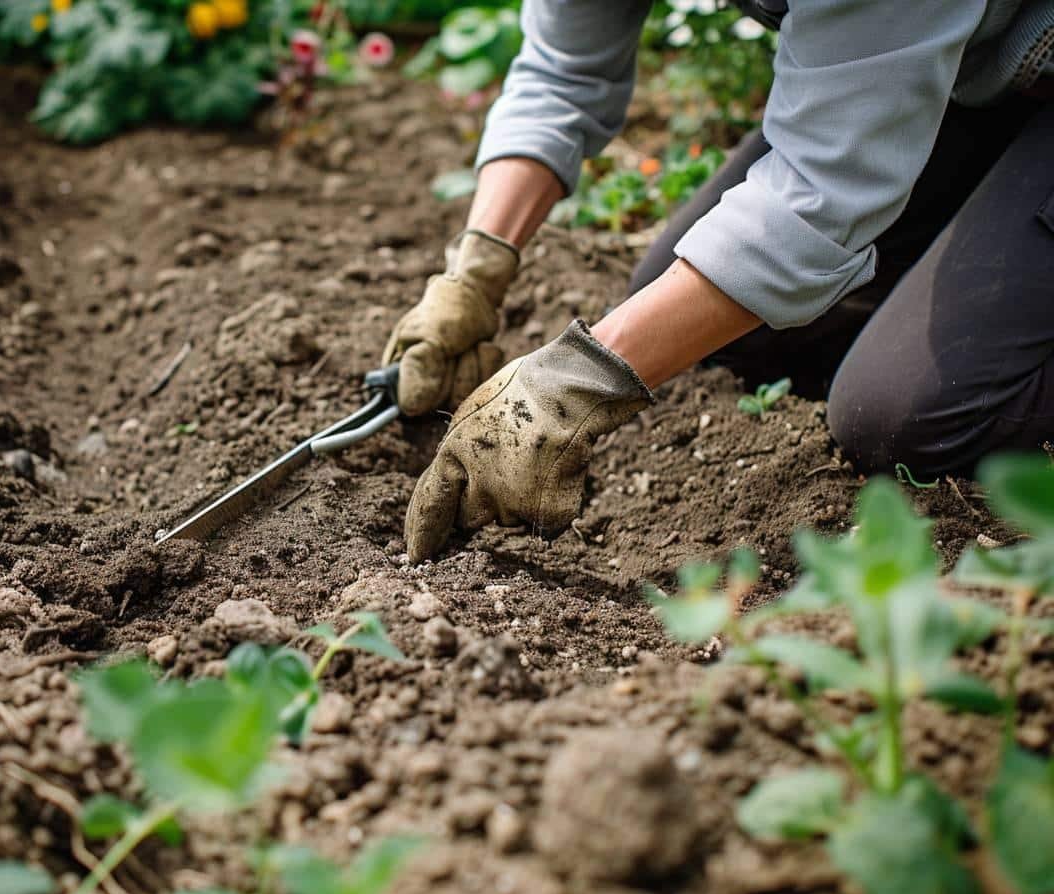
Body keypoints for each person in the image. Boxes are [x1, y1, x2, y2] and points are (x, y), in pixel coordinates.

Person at [388, 0, 1054, 563]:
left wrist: (571, 385)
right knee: (708, 316)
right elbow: (561, 72)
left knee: (907, 420)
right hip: (973, 69)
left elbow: (818, 195)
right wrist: (473, 274)